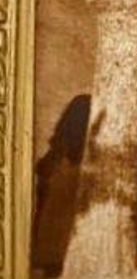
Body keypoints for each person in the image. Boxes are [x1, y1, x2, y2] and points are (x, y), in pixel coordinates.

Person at [32, 94, 92, 278]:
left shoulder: (58, 147)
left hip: (50, 218)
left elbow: (42, 169)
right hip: (64, 215)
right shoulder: (78, 153)